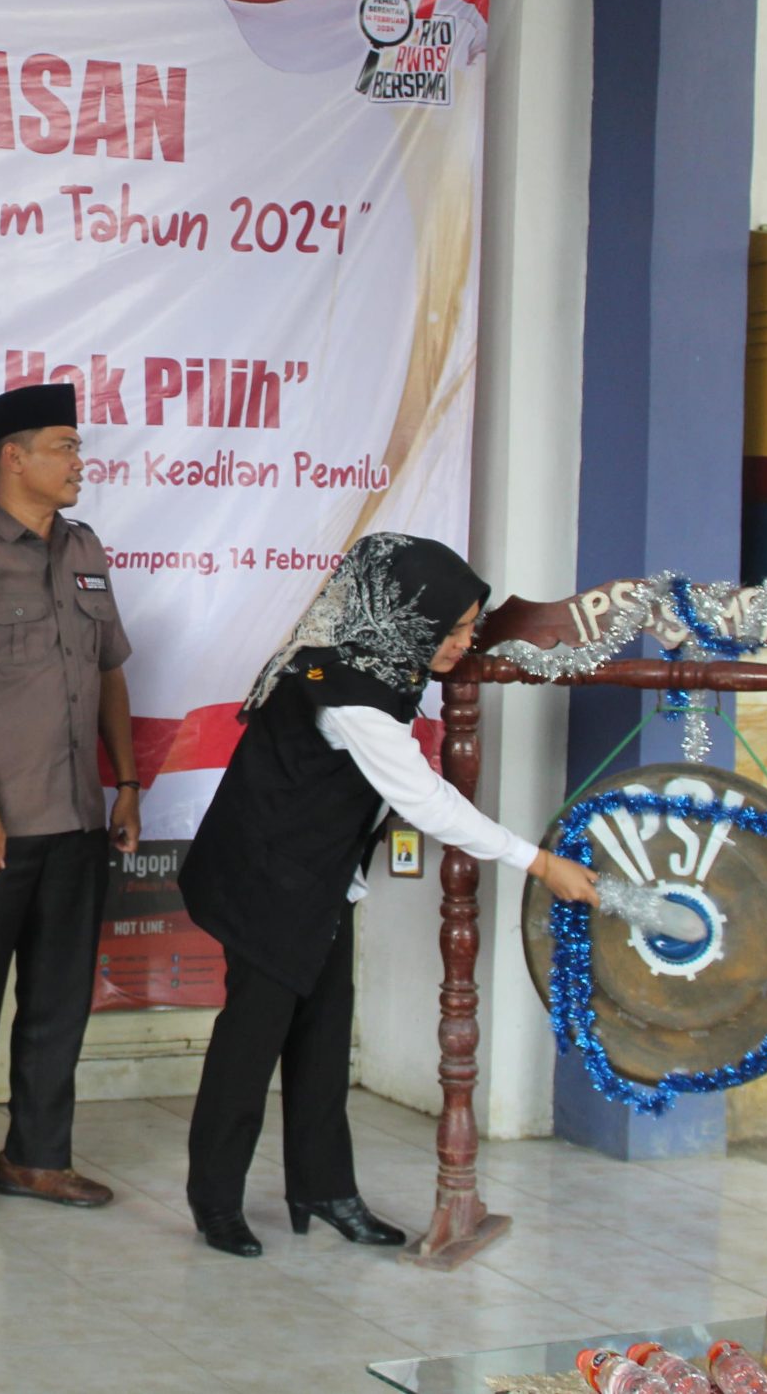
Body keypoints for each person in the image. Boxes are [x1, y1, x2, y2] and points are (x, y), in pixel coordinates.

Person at [178, 534, 600, 1260]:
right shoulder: (347, 687)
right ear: (407, 617)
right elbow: (424, 800)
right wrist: (538, 862)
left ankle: (323, 1189)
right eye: (453, 628)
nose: (464, 643)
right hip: (267, 880)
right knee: (252, 1039)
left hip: (317, 876)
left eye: (470, 627)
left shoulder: (378, 661)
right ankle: (214, 1199)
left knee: (323, 1032)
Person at [0, 382, 142, 1229]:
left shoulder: (85, 546)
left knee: (59, 997)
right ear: (13, 458)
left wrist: (126, 783)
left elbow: (110, 669)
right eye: (64, 446)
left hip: (77, 817)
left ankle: (37, 1157)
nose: (80, 461)